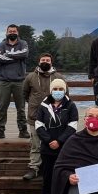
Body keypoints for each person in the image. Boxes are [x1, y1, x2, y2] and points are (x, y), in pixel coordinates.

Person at [35, 78, 78, 194]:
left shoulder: (71, 105)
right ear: (51, 90)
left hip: (65, 149)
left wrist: (59, 141)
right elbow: (38, 125)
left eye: (60, 89)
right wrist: (49, 141)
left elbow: (72, 126)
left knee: (65, 179)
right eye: (55, 89)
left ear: (64, 90)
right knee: (47, 179)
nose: (58, 91)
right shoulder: (43, 106)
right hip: (47, 149)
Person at [21, 52, 65, 181]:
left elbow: (66, 95)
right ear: (39, 62)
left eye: (47, 60)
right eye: (43, 60)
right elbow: (25, 93)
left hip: (54, 117)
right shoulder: (30, 77)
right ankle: (34, 168)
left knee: (54, 143)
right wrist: (33, 103)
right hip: (35, 116)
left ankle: (54, 168)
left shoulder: (58, 77)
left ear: (51, 62)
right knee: (35, 144)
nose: (45, 62)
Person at [0, 23, 30, 140]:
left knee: (21, 108)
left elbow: (25, 53)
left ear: (17, 32)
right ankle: (0, 130)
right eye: (10, 31)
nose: (12, 33)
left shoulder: (23, 43)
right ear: (6, 32)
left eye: (14, 31)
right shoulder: (2, 44)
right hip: (4, 81)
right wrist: (16, 58)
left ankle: (23, 130)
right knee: (2, 107)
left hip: (19, 81)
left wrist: (8, 54)